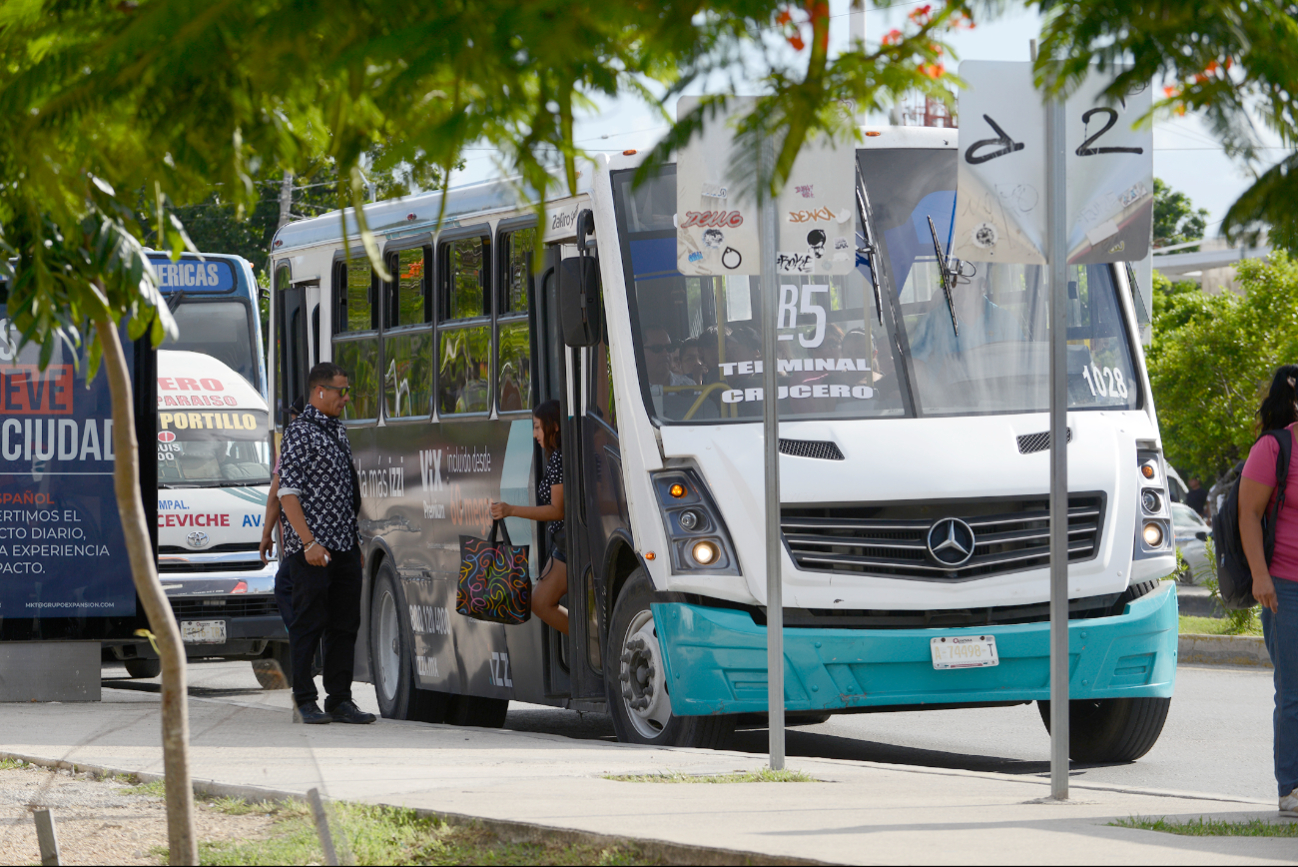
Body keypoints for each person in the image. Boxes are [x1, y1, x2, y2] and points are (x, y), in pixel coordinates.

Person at [277, 362, 375, 725]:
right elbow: (288, 494)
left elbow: (345, 491)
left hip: (344, 545)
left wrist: (354, 542)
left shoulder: (337, 430)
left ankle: (340, 698)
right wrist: (308, 543)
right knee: (308, 623)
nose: (346, 398)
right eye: (340, 391)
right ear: (320, 392)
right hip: (312, 550)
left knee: (345, 624)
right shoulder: (299, 433)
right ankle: (304, 699)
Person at [1238, 364, 1298, 816]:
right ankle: (1291, 787)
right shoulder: (1276, 447)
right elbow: (1248, 515)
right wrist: (1260, 575)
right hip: (1285, 586)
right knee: (1293, 691)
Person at [489, 400, 568, 634]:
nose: (535, 434)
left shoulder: (560, 459)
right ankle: (595, 645)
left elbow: (557, 510)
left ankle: (596, 647)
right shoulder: (560, 456)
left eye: (537, 427)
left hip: (568, 547)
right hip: (562, 546)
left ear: (553, 426)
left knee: (540, 602)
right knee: (539, 601)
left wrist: (511, 510)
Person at [260, 395, 306, 628]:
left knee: (284, 586)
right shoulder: (333, 435)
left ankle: (301, 636)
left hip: (303, 542)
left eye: (294, 415)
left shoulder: (293, 444)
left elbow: (276, 496)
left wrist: (266, 535)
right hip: (337, 538)